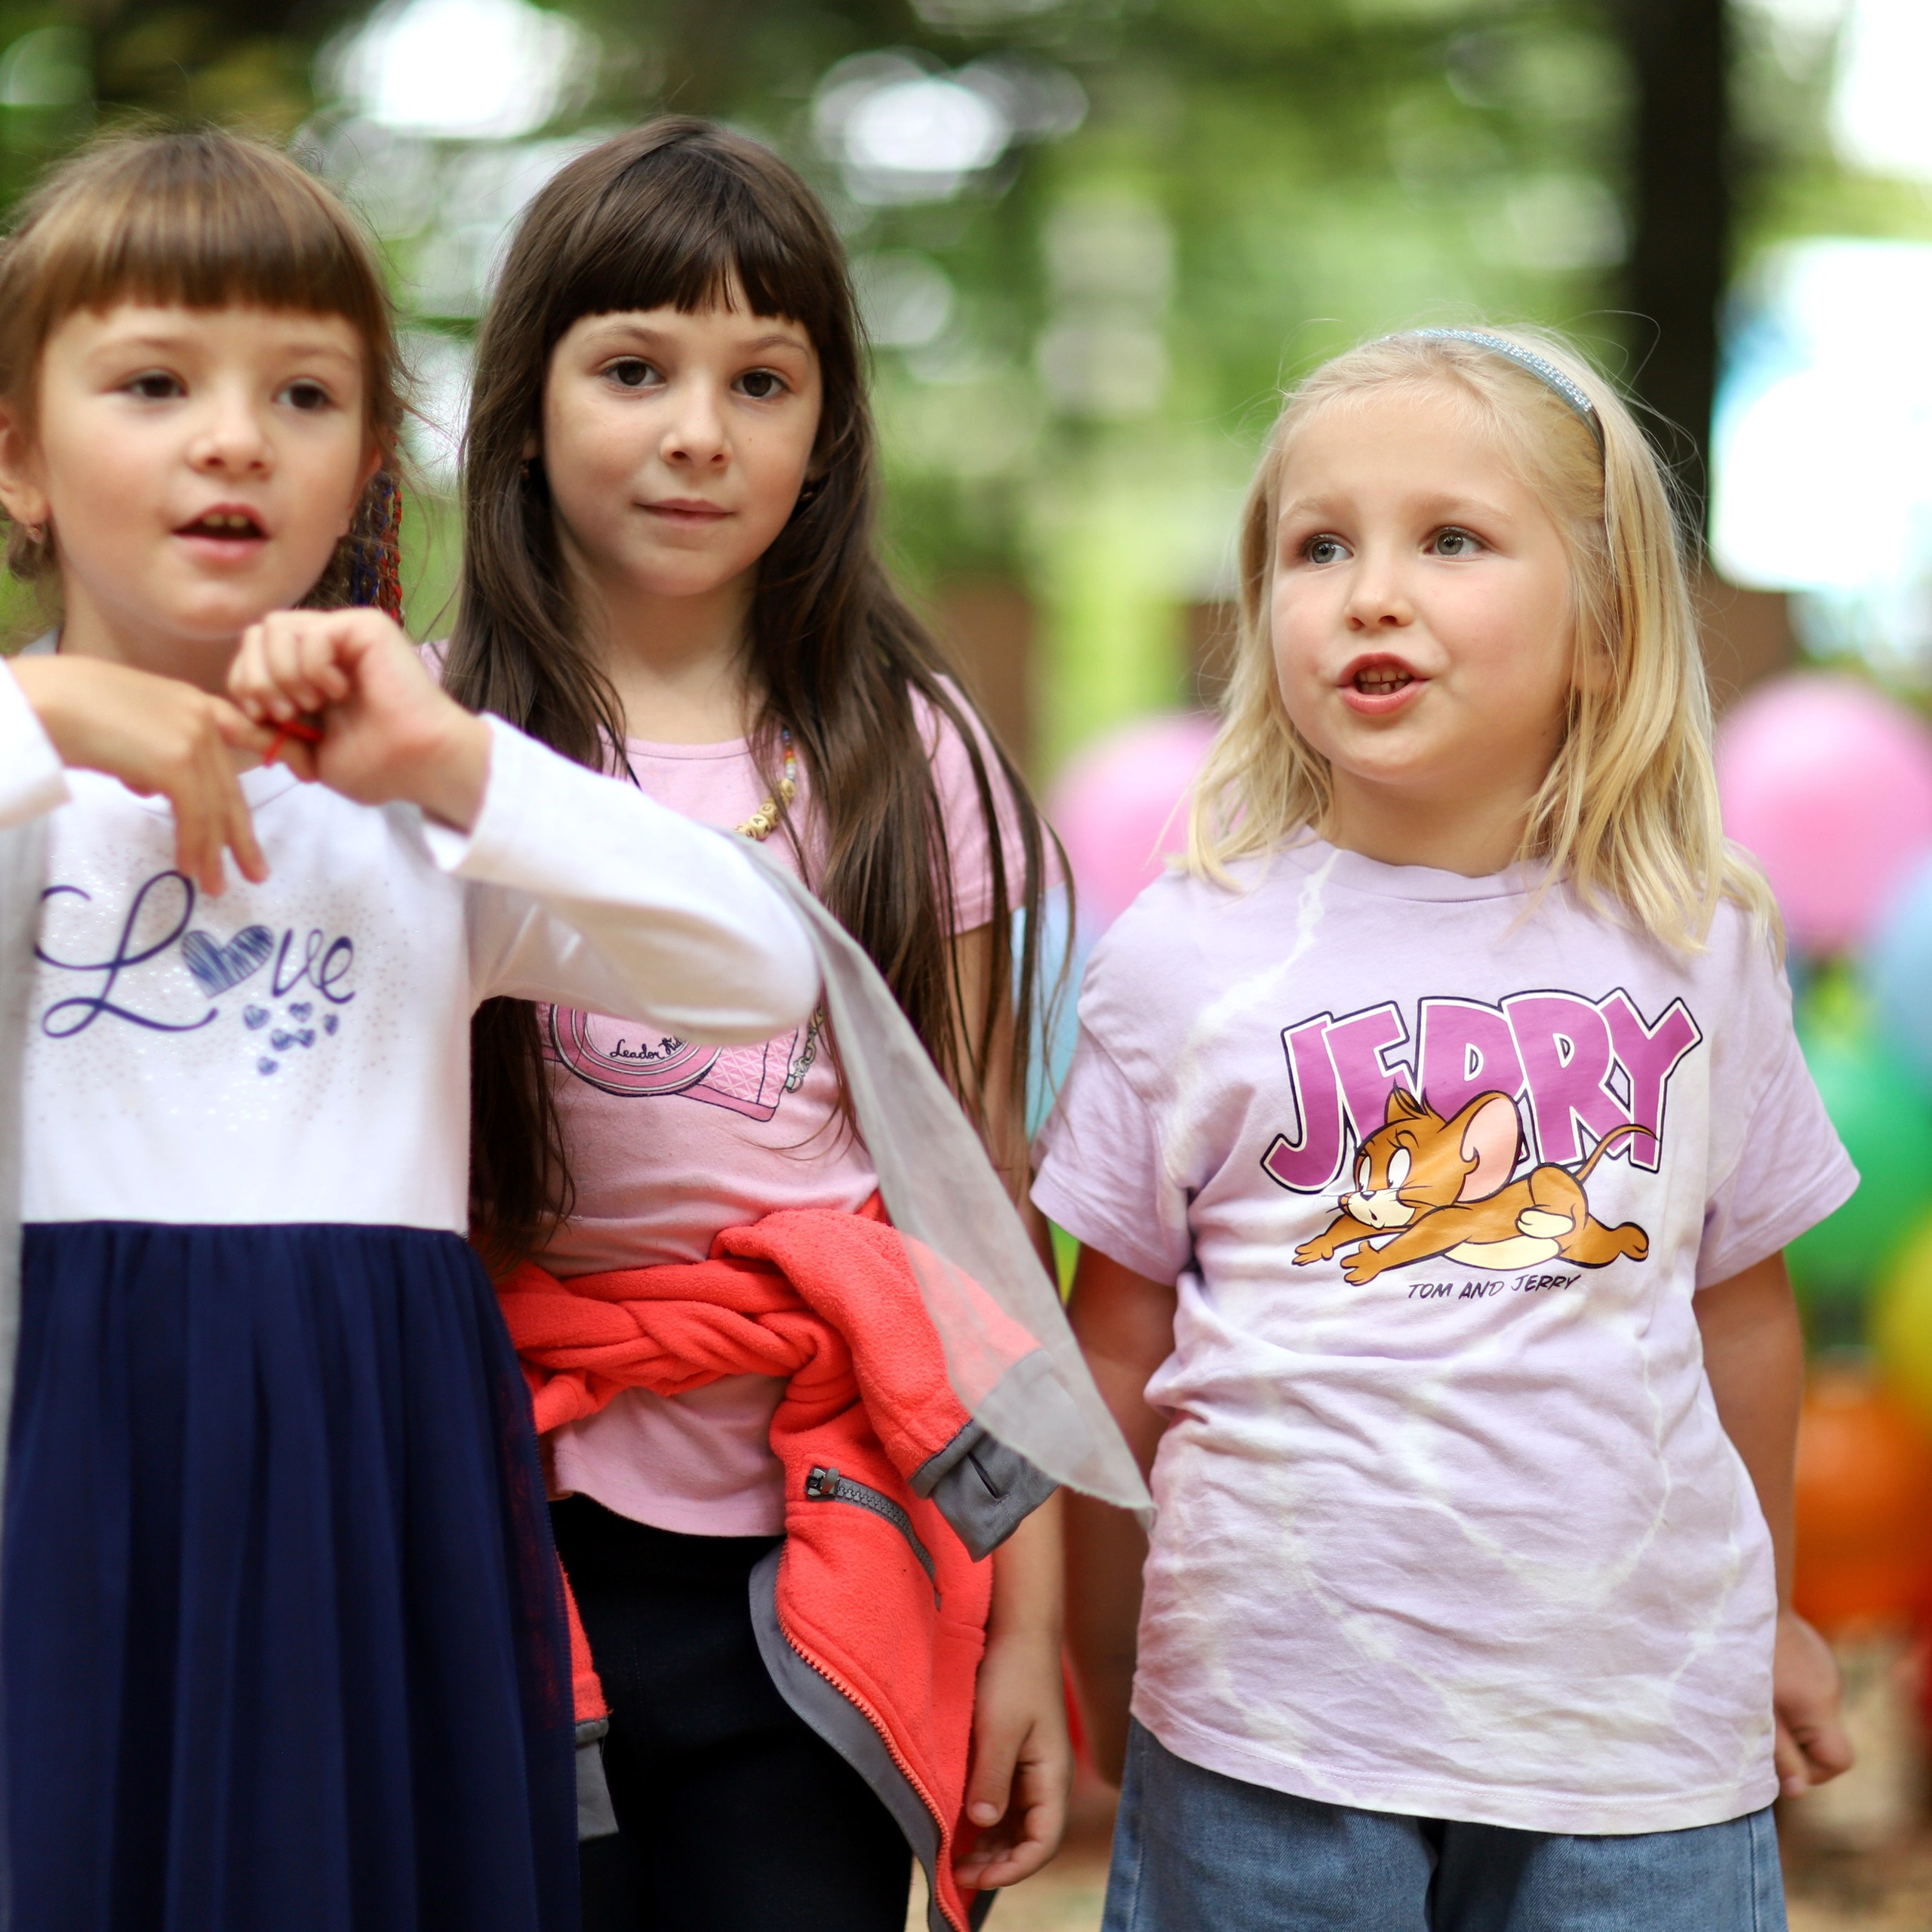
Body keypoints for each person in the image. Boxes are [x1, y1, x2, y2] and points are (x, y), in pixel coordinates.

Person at [0, 127, 820, 1932]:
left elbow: (762, 964)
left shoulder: (408, 806)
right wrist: (48, 710)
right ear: (18, 455)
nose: (232, 436)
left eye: (302, 393)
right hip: (63, 1445)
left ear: (366, 464)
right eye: (153, 382)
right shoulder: (18, 783)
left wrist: (453, 761)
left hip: (364, 1461)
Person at [1038, 327, 1857, 1932]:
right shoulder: (1178, 954)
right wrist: (1098, 1647)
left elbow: (1739, 1305)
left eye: (1450, 539)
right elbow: (1111, 1335)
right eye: (1315, 543)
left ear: (1601, 631)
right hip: (1265, 1721)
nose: (1368, 591)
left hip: (1637, 1740)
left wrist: (1761, 1613)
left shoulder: (1699, 942)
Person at [441, 119, 1069, 1932]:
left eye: (760, 378)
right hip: (505, 1527)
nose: (698, 428)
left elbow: (979, 1205)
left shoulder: (906, 758)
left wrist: (1018, 1619)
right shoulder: (427, 744)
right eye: (635, 366)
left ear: (827, 425)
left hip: (823, 1543)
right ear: (529, 398)